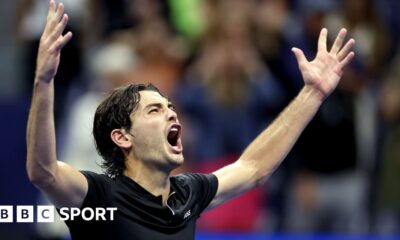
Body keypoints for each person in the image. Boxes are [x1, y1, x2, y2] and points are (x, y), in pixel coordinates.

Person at [26, 1, 355, 239]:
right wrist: (42, 82)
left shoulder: (188, 193)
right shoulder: (99, 197)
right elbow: (43, 171)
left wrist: (312, 94)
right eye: (154, 110)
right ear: (123, 137)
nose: (171, 112)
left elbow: (254, 167)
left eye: (169, 106)